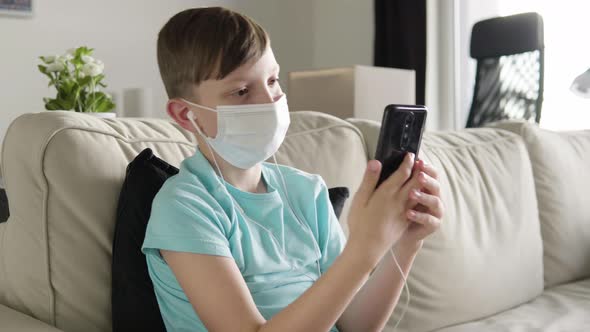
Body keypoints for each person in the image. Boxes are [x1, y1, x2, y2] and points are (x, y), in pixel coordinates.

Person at [141, 7, 444, 332]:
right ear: (186, 115)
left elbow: (355, 325)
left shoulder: (307, 191)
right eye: (242, 91)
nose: (269, 100)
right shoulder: (184, 207)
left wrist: (405, 242)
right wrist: (364, 249)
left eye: (272, 80)